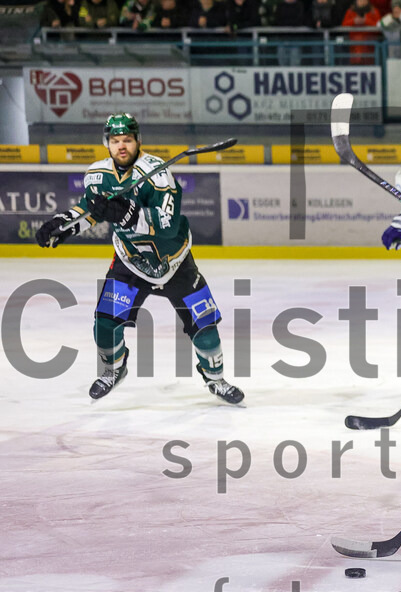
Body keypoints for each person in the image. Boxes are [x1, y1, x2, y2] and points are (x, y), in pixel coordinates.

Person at [34, 113, 245, 405]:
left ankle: (216, 380)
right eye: (115, 140)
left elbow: (169, 226)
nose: (122, 146)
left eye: (127, 140)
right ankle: (114, 369)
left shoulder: (158, 173)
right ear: (106, 143)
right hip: (130, 262)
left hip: (174, 261)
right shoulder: (97, 175)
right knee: (104, 324)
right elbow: (92, 208)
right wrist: (64, 224)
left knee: (206, 329)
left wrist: (129, 214)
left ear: (138, 141)